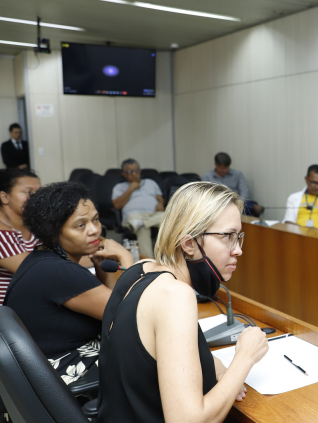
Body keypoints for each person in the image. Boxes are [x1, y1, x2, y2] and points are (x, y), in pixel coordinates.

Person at [98, 182, 269, 422]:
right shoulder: (175, 295)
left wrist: (210, 363)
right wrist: (245, 358)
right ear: (189, 244)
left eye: (238, 237)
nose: (238, 250)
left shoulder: (139, 269)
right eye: (228, 237)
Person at [3, 182, 134, 384]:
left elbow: (110, 304)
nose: (94, 230)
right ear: (53, 232)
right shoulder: (59, 271)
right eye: (80, 225)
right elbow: (133, 314)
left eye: (96, 220)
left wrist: (100, 267)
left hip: (43, 373)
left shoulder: (43, 259)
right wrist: (127, 260)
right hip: (65, 375)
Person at [0, 169, 40, 304]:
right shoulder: (2, 234)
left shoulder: (35, 226)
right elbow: (36, 270)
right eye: (28, 192)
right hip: (7, 313)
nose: (36, 198)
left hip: (34, 300)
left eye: (38, 193)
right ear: (5, 197)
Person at [112, 158, 164, 258]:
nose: (134, 174)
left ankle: (157, 260)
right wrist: (130, 189)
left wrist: (160, 203)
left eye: (136, 171)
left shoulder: (150, 183)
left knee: (170, 218)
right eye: (130, 172)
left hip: (154, 214)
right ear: (124, 174)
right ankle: (149, 260)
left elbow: (160, 198)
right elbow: (117, 205)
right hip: (134, 216)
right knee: (142, 227)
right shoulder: (119, 187)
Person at [201, 152, 263, 217]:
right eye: (222, 168)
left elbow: (244, 191)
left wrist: (239, 202)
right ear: (216, 165)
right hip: (217, 204)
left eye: (227, 167)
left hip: (236, 201)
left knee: (247, 204)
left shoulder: (238, 174)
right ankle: (253, 207)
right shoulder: (207, 176)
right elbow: (206, 196)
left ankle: (253, 207)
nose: (225, 170)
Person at [282, 164, 318, 229]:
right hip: (298, 234)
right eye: (313, 182)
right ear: (306, 179)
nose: (317, 186)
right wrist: (305, 230)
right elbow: (288, 222)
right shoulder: (294, 198)